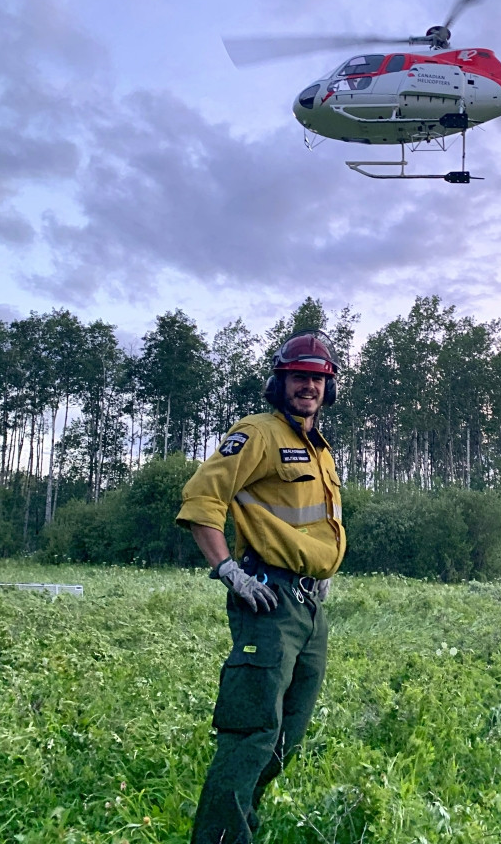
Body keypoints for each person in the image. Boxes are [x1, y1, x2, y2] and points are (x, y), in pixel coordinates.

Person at [176, 329, 346, 844]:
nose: (308, 387)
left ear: (328, 388)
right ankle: (220, 838)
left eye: (317, 379)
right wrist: (229, 570)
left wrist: (324, 575)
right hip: (268, 599)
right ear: (281, 381)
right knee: (252, 731)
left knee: (286, 735)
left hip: (310, 607)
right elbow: (203, 498)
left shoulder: (320, 450)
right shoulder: (258, 433)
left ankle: (240, 824)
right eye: (299, 377)